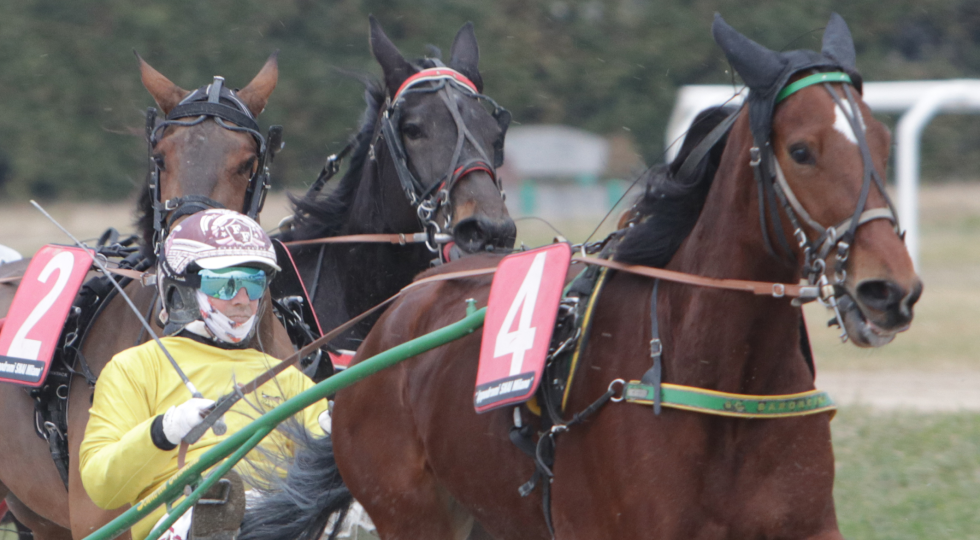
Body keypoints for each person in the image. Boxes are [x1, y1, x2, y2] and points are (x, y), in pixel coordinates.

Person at [80, 209, 329, 540]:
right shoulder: (134, 368)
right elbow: (102, 487)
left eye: (254, 285)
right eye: (225, 285)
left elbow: (324, 473)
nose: (243, 301)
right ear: (183, 289)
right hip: (175, 521)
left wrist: (338, 439)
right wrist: (164, 431)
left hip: (278, 520)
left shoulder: (287, 379)